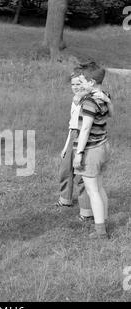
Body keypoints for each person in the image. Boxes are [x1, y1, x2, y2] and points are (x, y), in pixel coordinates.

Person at [71, 62, 114, 239]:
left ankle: (100, 231)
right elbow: (111, 114)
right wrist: (109, 101)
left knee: (92, 190)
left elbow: (85, 129)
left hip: (91, 150)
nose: (80, 83)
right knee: (99, 186)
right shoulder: (103, 95)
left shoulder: (90, 102)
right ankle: (102, 219)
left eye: (82, 80)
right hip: (104, 146)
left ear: (91, 82)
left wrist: (79, 154)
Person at [57, 74, 93, 222]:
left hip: (84, 136)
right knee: (65, 170)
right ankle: (65, 199)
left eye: (79, 84)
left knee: (81, 175)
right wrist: (66, 147)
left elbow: (85, 128)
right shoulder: (75, 100)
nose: (76, 87)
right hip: (73, 135)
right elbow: (72, 126)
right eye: (73, 84)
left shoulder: (88, 101)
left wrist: (80, 150)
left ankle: (86, 212)